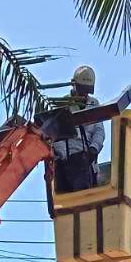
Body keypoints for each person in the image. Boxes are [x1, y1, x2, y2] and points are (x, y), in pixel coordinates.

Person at [50, 64, 104, 193]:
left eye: (87, 90)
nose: (84, 94)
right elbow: (56, 138)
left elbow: (99, 131)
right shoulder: (62, 105)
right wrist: (66, 157)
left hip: (88, 160)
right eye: (82, 90)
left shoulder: (94, 104)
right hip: (68, 159)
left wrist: (93, 149)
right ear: (73, 85)